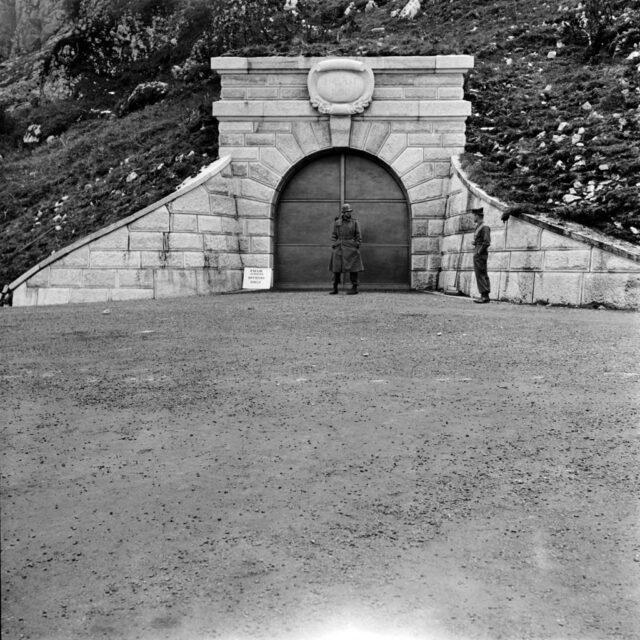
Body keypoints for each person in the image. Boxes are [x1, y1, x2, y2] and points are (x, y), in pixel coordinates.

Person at [329, 203, 364, 295]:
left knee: (354, 269)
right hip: (339, 247)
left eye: (350, 211)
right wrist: (334, 244)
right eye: (347, 212)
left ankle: (355, 287)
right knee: (336, 269)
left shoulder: (354, 222)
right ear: (343, 213)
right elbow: (334, 235)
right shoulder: (337, 223)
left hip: (351, 247)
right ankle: (335, 287)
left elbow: (358, 236)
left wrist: (356, 244)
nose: (349, 213)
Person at [472, 207, 491, 303]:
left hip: (480, 253)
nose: (473, 217)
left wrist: (479, 251)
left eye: (474, 215)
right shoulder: (479, 226)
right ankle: (484, 295)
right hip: (478, 251)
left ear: (478, 216)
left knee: (481, 273)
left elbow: (487, 242)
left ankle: (484, 296)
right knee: (480, 273)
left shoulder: (484, 227)